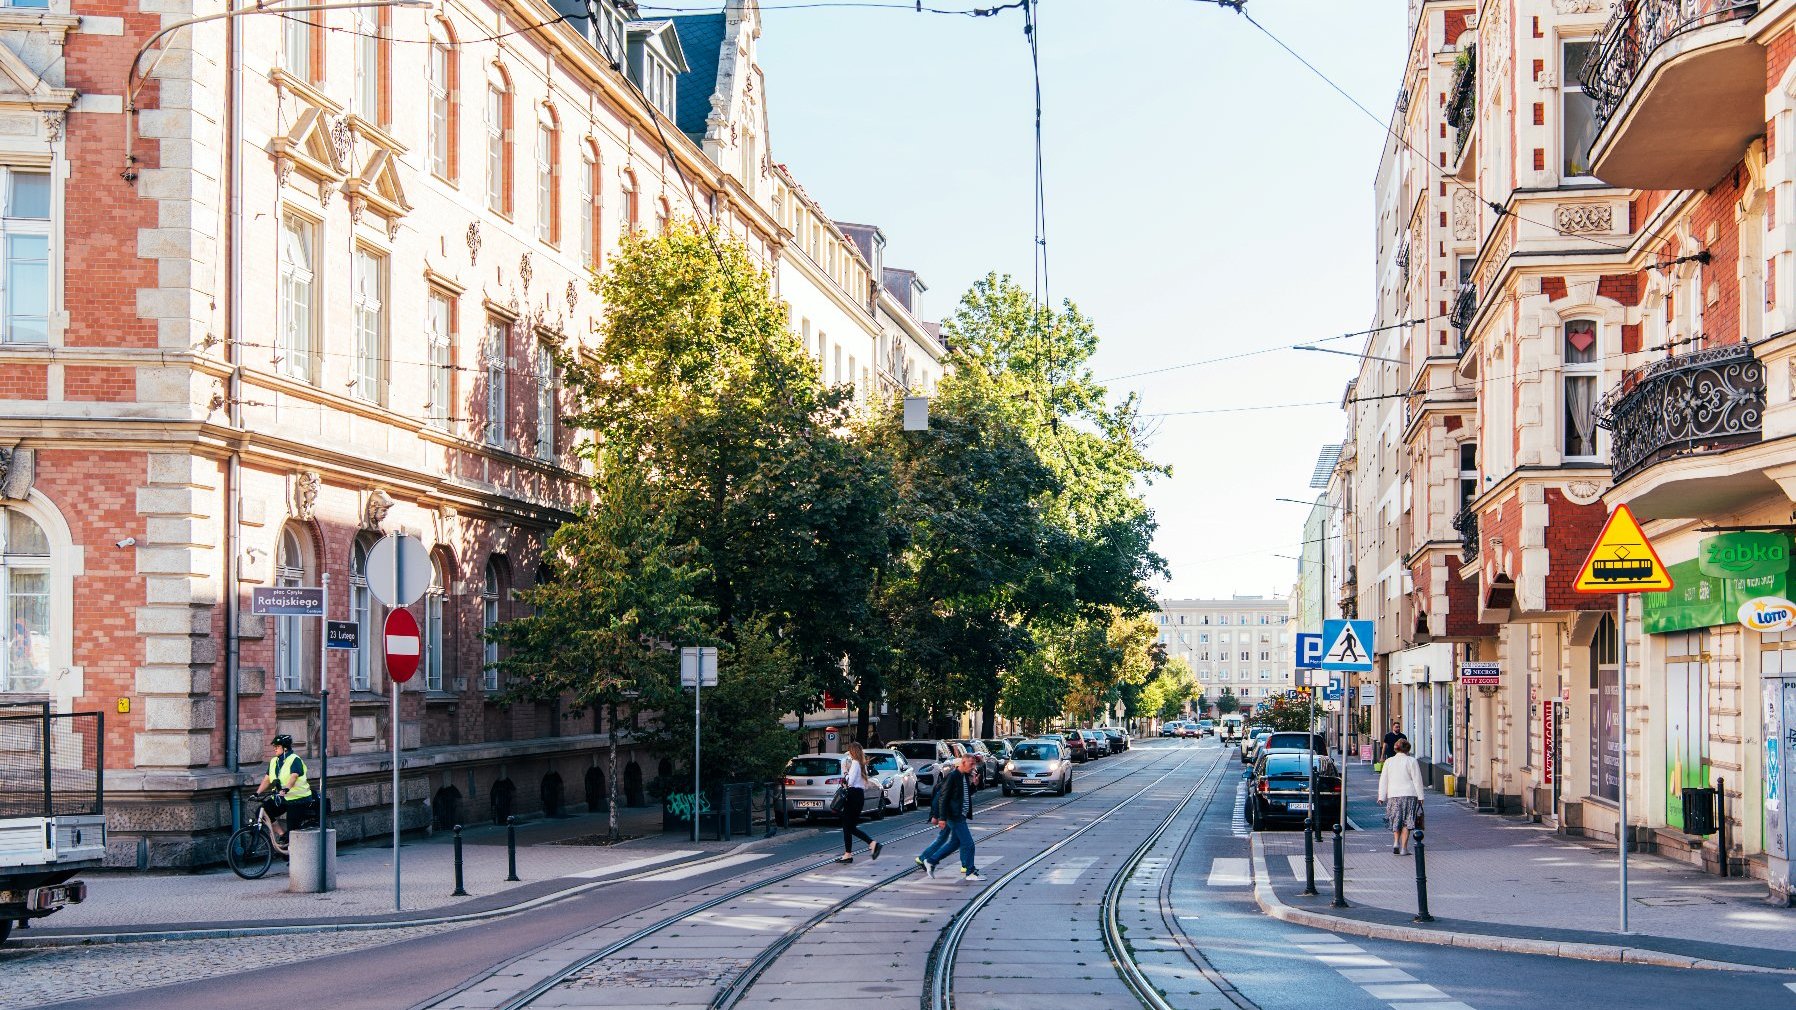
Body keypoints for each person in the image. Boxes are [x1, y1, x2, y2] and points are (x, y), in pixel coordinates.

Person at [916, 753, 983, 882]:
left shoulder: (964, 776)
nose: (973, 767)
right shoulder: (952, 776)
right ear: (963, 763)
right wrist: (940, 817)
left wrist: (974, 784)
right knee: (969, 844)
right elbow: (943, 797)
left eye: (974, 764)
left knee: (955, 843)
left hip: (960, 815)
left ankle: (931, 860)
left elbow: (965, 795)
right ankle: (970, 871)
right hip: (954, 815)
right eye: (971, 764)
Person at [256, 734, 318, 843]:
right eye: (274, 746)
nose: (274, 748)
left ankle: (293, 852)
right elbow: (267, 779)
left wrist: (286, 789)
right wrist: (257, 793)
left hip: (298, 799)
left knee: (293, 831)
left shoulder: (294, 759)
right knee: (262, 811)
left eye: (277, 746)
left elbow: (294, 776)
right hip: (283, 798)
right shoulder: (274, 761)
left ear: (285, 748)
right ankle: (282, 835)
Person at [835, 742, 882, 864]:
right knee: (848, 826)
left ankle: (872, 843)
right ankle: (848, 854)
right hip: (857, 796)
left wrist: (845, 772)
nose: (849, 753)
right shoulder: (861, 764)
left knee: (848, 826)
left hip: (853, 796)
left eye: (850, 751)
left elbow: (850, 782)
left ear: (853, 751)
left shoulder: (855, 764)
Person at [1377, 738, 1426, 854]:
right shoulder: (1412, 761)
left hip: (1393, 795)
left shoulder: (1389, 762)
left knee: (1396, 819)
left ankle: (1395, 842)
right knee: (1407, 821)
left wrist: (1381, 796)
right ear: (1407, 749)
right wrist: (1421, 796)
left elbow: (1383, 779)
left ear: (1395, 749)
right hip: (1409, 794)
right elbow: (1417, 780)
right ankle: (1404, 848)